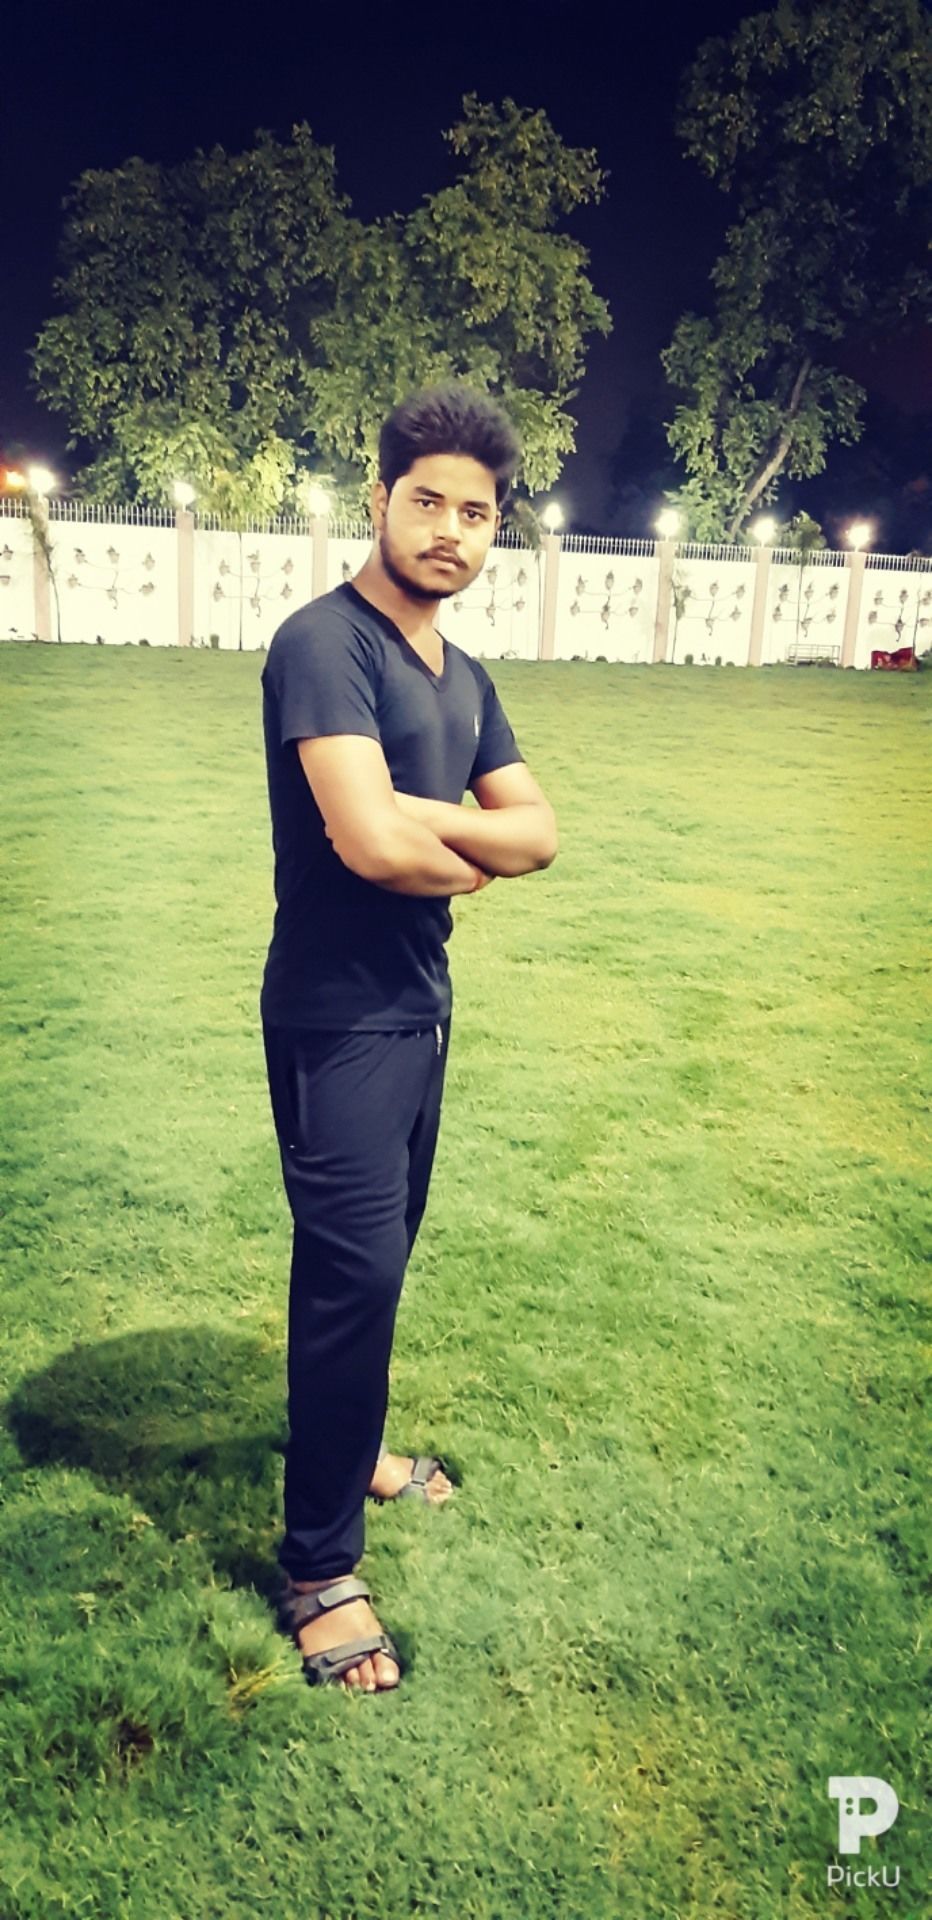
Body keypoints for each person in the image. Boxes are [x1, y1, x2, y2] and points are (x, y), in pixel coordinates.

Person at [260, 383, 558, 1693]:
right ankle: (321, 1571)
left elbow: (537, 832)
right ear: (378, 501)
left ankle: (355, 1452)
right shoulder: (325, 644)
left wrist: (425, 830)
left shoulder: (466, 677)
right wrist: (458, 848)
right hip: (336, 1017)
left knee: (382, 1269)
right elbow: (370, 846)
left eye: (475, 513)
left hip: (422, 1009)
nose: (449, 529)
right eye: (426, 501)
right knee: (352, 1279)